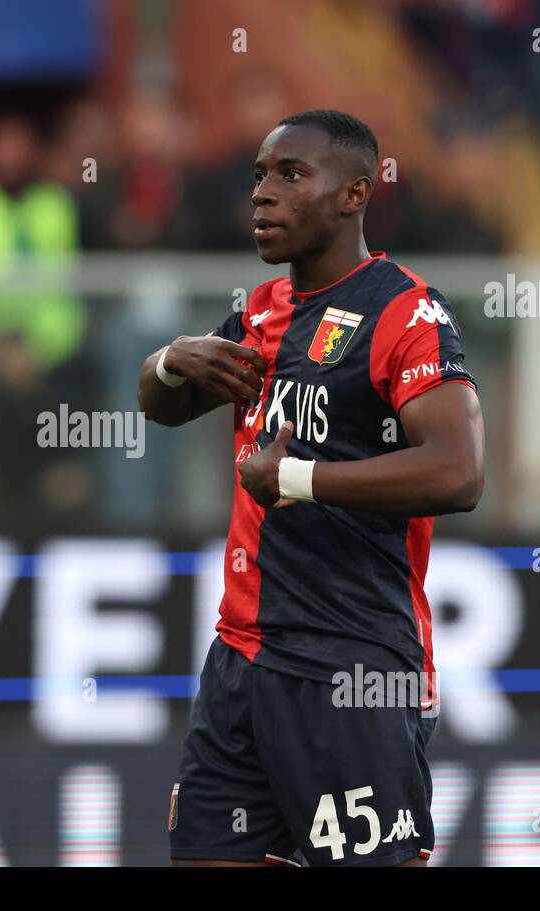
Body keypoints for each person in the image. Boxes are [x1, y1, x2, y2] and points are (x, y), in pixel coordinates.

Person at [138, 110, 484, 867]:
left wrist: (296, 478)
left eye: (291, 175)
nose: (263, 194)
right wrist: (170, 360)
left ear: (355, 194)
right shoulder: (259, 313)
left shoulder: (406, 312)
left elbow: (459, 472)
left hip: (352, 664)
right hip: (240, 659)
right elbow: (162, 409)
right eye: (259, 175)